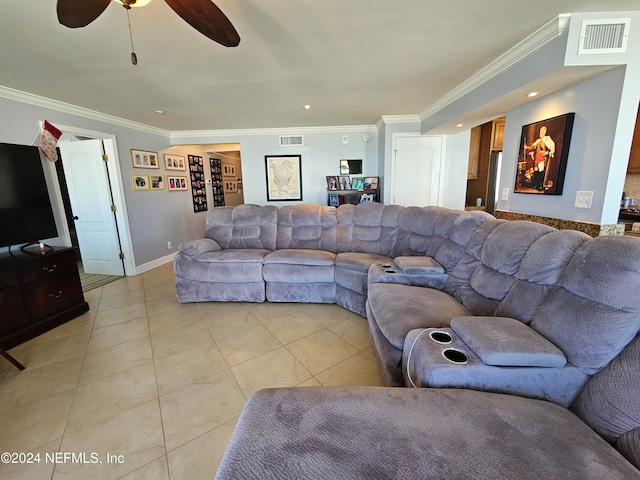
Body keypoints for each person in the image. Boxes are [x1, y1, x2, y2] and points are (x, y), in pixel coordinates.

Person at [524, 125, 555, 191]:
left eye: (543, 132)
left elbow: (551, 148)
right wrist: (527, 147)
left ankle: (540, 185)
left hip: (542, 158)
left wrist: (547, 152)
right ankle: (536, 185)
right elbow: (532, 147)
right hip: (537, 158)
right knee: (536, 172)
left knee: (541, 171)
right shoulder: (538, 140)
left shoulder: (547, 139)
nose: (541, 133)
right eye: (541, 132)